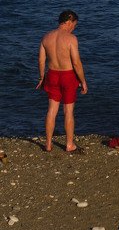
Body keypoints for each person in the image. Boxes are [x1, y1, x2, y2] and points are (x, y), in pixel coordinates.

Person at [36, 10, 88, 153]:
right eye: (74, 25)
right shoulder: (71, 39)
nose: (74, 28)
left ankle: (48, 144)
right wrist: (83, 81)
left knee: (51, 110)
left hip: (52, 75)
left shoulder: (46, 37)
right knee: (68, 111)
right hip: (68, 76)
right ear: (69, 21)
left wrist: (42, 78)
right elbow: (76, 63)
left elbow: (41, 60)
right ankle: (69, 144)